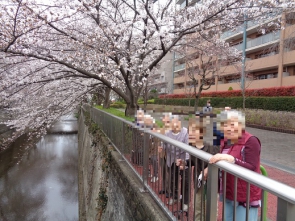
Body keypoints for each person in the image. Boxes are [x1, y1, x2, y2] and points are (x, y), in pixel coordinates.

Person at [208, 110, 261, 221]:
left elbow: (252, 167)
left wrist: (232, 160)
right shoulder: (226, 141)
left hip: (245, 196)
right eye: (225, 125)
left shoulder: (251, 141)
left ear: (241, 124)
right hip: (230, 192)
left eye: (232, 124)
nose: (229, 128)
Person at [176, 113, 220, 220]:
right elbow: (192, 161)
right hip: (199, 180)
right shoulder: (192, 145)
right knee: (198, 207)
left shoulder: (212, 145)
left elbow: (217, 161)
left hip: (211, 182)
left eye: (194, 130)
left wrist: (208, 169)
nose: (191, 134)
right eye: (190, 131)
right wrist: (184, 163)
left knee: (209, 209)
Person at [159, 115, 189, 211]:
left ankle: (185, 202)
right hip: (171, 159)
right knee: (173, 179)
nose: (175, 125)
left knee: (185, 181)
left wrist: (185, 162)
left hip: (183, 158)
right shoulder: (167, 133)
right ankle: (175, 197)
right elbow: (163, 143)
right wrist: (161, 148)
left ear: (180, 123)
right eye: (173, 123)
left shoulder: (185, 132)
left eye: (176, 123)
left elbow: (188, 149)